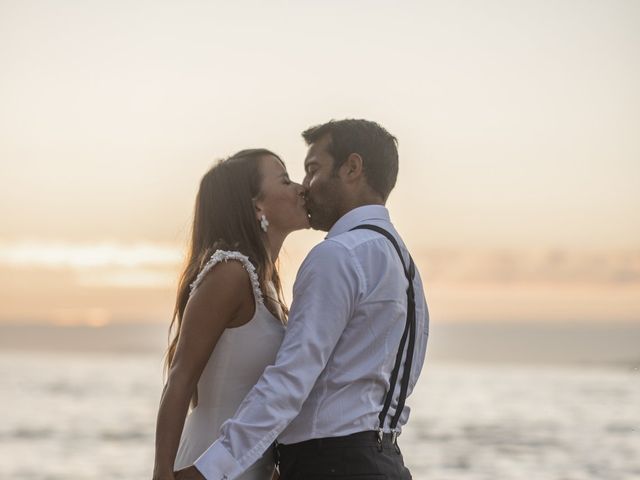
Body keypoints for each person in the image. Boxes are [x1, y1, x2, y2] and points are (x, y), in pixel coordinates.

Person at [175, 119, 429, 480]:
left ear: (352, 168)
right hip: (384, 462)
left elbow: (292, 378)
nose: (305, 187)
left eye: (313, 169)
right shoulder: (404, 265)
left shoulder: (338, 255)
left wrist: (209, 471)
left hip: (330, 467)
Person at [152, 149, 309, 480]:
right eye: (285, 180)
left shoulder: (267, 285)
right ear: (257, 206)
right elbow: (181, 377)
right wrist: (161, 473)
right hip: (206, 464)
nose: (300, 188)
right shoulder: (231, 273)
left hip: (247, 467)